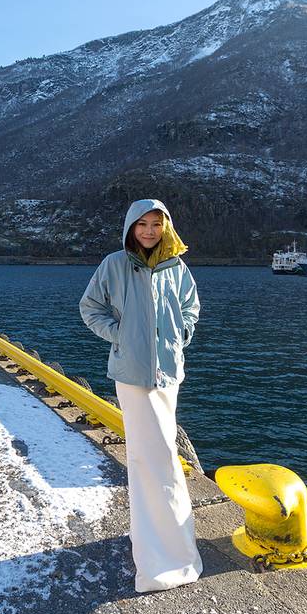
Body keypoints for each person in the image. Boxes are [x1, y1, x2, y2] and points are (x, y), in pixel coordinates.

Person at [79, 198, 202, 593]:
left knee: (161, 457)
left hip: (169, 377)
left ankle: (172, 550)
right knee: (151, 460)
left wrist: (179, 337)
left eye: (156, 224)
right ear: (131, 227)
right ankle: (160, 559)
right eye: (142, 224)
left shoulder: (177, 268)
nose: (149, 231)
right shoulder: (114, 264)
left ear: (166, 227)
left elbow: (190, 309)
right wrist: (121, 338)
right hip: (132, 378)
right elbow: (90, 308)